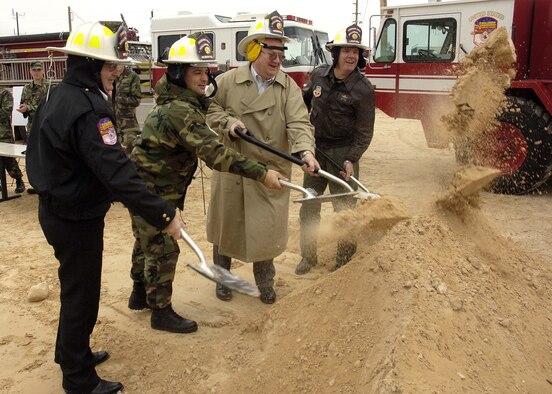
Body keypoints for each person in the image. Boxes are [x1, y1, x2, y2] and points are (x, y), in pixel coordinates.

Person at [25, 21, 184, 394]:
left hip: (56, 209)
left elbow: (42, 151)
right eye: (110, 65)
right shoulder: (90, 108)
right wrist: (163, 213)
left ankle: (72, 354)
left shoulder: (56, 94)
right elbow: (117, 174)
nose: (117, 71)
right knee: (81, 296)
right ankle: (78, 379)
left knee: (74, 291)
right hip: (75, 217)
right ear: (88, 64)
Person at [127, 32, 286, 333]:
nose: (203, 78)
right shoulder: (181, 111)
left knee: (144, 241)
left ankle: (138, 295)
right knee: (163, 249)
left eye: (205, 71)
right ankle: (160, 312)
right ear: (177, 73)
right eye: (196, 72)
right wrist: (262, 173)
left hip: (144, 188)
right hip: (156, 191)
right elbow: (216, 154)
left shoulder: (177, 102)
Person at [206, 11, 319, 304]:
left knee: (265, 231)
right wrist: (228, 123)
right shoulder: (227, 81)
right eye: (271, 51)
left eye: (282, 51)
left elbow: (299, 123)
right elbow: (209, 110)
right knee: (226, 227)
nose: (278, 58)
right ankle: (223, 279)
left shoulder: (288, 87)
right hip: (234, 167)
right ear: (254, 49)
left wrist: (305, 151)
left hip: (271, 171)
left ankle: (265, 283)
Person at [295, 24, 376, 275]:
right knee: (309, 204)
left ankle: (343, 262)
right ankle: (308, 257)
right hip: (316, 151)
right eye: (347, 50)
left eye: (356, 51)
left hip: (344, 155)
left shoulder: (363, 89)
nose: (352, 56)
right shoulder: (318, 75)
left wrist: (352, 159)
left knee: (345, 210)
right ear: (336, 53)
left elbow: (365, 132)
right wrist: (303, 143)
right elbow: (302, 104)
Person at [0, 88, 25, 193]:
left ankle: (19, 180)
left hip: (4, 133)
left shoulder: (5, 93)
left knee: (9, 159)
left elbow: (6, 112)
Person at [17, 61, 47, 140]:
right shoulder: (26, 88)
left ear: (43, 71)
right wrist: (23, 109)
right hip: (31, 127)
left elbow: (50, 106)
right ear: (30, 71)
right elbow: (23, 103)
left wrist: (29, 108)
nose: (36, 72)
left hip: (45, 126)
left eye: (39, 69)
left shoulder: (50, 87)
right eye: (34, 70)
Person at [114, 65, 142, 152]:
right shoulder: (110, 76)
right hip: (113, 124)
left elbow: (136, 100)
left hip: (128, 125)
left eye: (118, 65)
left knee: (130, 153)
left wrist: (116, 98)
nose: (116, 68)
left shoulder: (132, 76)